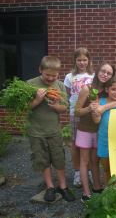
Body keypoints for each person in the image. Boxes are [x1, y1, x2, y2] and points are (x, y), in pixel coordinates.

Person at [74, 62, 116, 205]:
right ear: (97, 71)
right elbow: (76, 111)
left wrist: (102, 108)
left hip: (99, 131)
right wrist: (89, 109)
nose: (105, 75)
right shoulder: (87, 88)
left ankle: (97, 188)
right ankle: (86, 193)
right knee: (85, 161)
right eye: (103, 71)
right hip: (85, 128)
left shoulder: (107, 90)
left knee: (96, 160)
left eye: (109, 73)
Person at [27, 56, 75, 202]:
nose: (51, 78)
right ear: (40, 70)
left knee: (58, 158)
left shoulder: (59, 86)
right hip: (36, 131)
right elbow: (25, 107)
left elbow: (64, 108)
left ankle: (63, 186)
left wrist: (56, 106)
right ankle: (50, 187)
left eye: (54, 75)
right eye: (47, 75)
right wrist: (37, 100)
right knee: (43, 159)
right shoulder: (31, 84)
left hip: (54, 131)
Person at [64, 47, 94, 188]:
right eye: (79, 60)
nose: (82, 63)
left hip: (89, 114)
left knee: (89, 143)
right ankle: (77, 171)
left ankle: (88, 171)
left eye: (84, 60)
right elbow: (69, 94)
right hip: (74, 113)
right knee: (76, 143)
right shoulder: (70, 77)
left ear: (88, 61)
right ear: (75, 61)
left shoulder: (93, 76)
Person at [92, 76, 116, 188]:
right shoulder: (100, 102)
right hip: (104, 140)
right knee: (106, 168)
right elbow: (96, 121)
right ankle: (107, 190)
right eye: (113, 89)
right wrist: (95, 113)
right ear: (107, 90)